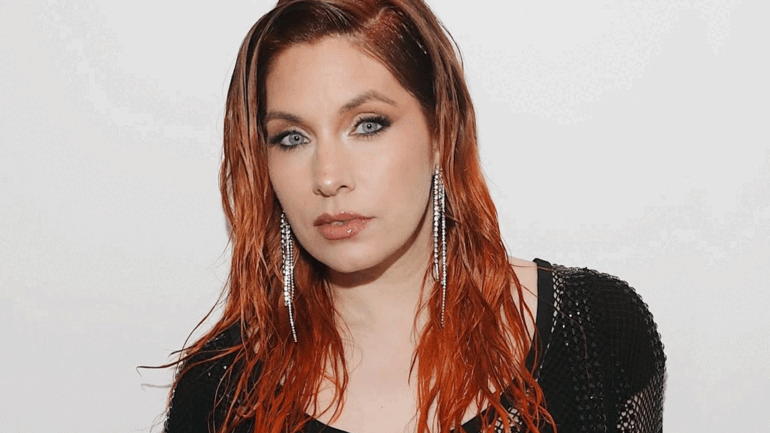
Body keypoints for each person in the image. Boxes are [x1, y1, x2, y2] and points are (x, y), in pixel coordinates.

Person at [162, 0, 666, 432]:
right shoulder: (218, 393)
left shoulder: (592, 333)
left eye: (367, 125)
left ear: (441, 131)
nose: (328, 177)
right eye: (292, 137)